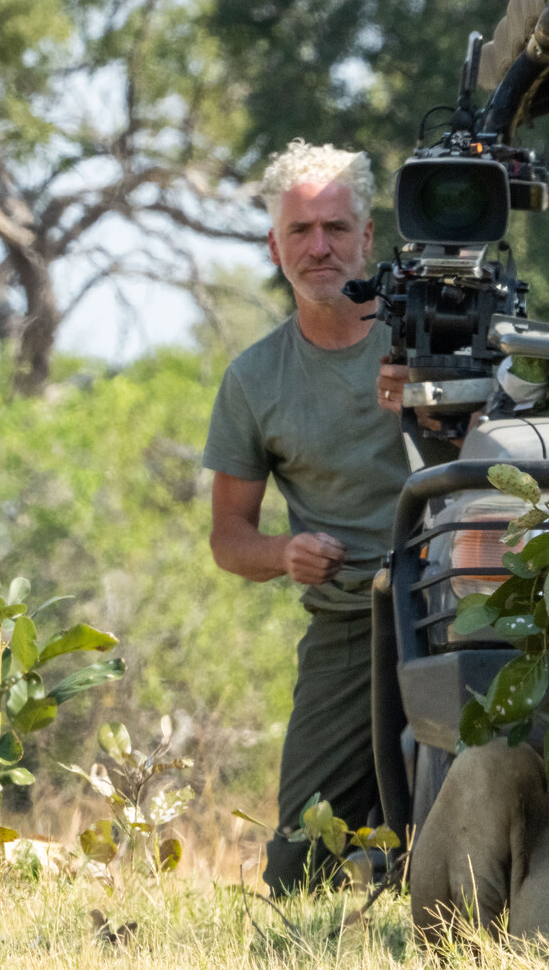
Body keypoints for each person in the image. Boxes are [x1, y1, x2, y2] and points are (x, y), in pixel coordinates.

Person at [201, 139, 413, 893]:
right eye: (300, 230)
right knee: (296, 871)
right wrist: (284, 553)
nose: (319, 247)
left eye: (335, 227)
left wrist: (431, 405)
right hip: (348, 624)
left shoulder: (429, 337)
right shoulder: (255, 378)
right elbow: (229, 539)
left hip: (460, 604)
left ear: (367, 238)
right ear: (275, 246)